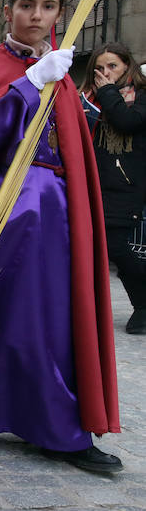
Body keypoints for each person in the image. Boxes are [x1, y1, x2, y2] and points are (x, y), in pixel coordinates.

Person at [0, 0, 121, 471]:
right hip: (6, 210)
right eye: (26, 5)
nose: (35, 15)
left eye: (46, 7)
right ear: (7, 11)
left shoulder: (60, 71)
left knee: (54, 316)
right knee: (8, 316)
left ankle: (55, 422)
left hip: (59, 215)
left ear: (60, 15)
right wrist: (27, 86)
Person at [79, 43, 146, 334]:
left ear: (127, 66)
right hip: (93, 180)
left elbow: (127, 122)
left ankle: (143, 304)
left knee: (115, 246)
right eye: (100, 69)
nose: (105, 74)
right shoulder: (87, 99)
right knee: (94, 247)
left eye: (113, 67)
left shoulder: (140, 96)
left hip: (125, 183)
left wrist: (107, 93)